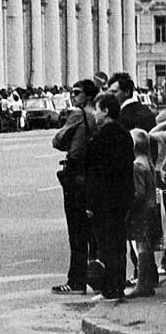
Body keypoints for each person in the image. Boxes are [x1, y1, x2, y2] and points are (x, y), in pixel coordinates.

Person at [81, 91, 136, 300]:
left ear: (105, 111)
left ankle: (109, 289)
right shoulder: (124, 134)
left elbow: (95, 175)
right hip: (122, 198)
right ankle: (118, 286)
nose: (95, 114)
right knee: (118, 244)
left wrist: (90, 204)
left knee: (106, 245)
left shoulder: (101, 138)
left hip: (104, 201)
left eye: (97, 109)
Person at [52, 79, 98, 295]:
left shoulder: (79, 114)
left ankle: (76, 280)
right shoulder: (98, 114)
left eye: (77, 92)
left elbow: (58, 140)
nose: (73, 95)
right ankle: (100, 276)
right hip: (94, 175)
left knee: (77, 231)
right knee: (94, 232)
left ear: (87, 95)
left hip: (76, 175)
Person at [130, 129, 159, 299]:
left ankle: (142, 283)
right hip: (151, 207)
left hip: (141, 211)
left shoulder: (137, 165)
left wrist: (130, 206)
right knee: (147, 244)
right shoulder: (148, 161)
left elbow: (138, 193)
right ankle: (147, 282)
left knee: (140, 245)